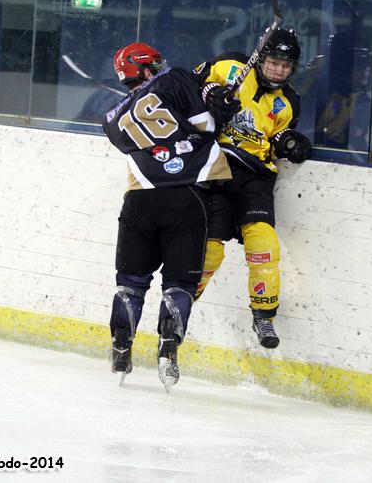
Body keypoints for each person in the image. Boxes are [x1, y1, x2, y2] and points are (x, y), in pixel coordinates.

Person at [102, 42, 232, 389]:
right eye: (154, 63)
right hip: (188, 196)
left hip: (140, 200)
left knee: (130, 285)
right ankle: (168, 350)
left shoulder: (111, 119)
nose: (161, 66)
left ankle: (120, 346)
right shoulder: (174, 79)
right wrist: (221, 109)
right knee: (179, 285)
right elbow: (205, 125)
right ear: (144, 68)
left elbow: (152, 130)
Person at [191, 28, 312, 349]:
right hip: (217, 166)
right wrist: (210, 96)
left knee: (264, 243)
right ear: (260, 58)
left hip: (256, 176)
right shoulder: (230, 66)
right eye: (274, 62)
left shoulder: (288, 103)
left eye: (286, 66)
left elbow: (276, 139)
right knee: (210, 248)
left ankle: (263, 316)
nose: (279, 71)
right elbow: (189, 86)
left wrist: (288, 142)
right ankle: (184, 300)